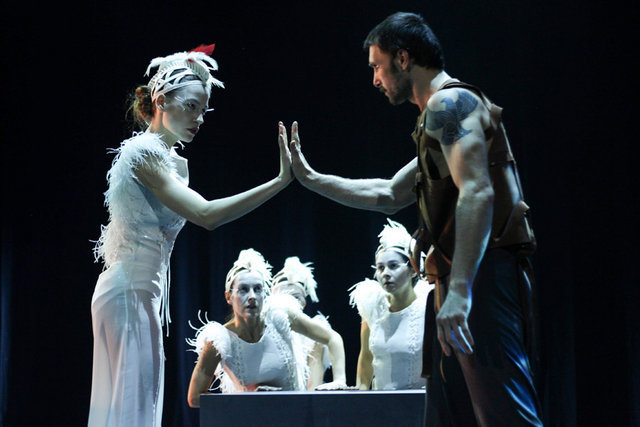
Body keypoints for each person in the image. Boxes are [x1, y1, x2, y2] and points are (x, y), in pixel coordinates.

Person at [287, 12, 542, 426]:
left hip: (481, 279)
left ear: (403, 59)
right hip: (458, 282)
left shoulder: (450, 103)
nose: (375, 79)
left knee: (504, 414)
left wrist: (461, 292)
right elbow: (389, 194)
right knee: (449, 415)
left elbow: (477, 190)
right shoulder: (435, 117)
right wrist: (311, 179)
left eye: (377, 66)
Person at [89, 45, 293, 426]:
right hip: (128, 292)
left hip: (141, 293)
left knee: (140, 404)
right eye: (191, 106)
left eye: (203, 110)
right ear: (161, 101)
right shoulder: (142, 154)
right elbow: (206, 215)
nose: (198, 119)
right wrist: (279, 182)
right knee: (133, 407)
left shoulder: (169, 161)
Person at [187, 249, 347, 407]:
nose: (252, 296)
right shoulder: (220, 339)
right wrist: (250, 398)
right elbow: (194, 398)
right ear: (228, 297)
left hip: (295, 414)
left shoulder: (279, 316)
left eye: (257, 289)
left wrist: (340, 380)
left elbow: (332, 338)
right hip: (251, 417)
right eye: (243, 289)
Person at [349, 219, 432, 390]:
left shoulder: (427, 306)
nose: (385, 273)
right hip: (382, 400)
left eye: (393, 266)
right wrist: (361, 392)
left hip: (418, 399)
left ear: (412, 270)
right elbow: (366, 356)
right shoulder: (372, 306)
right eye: (380, 268)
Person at [271, 256, 342, 389]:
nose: (290, 302)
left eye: (295, 297)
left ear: (304, 302)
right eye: (284, 296)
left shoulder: (312, 337)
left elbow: (314, 384)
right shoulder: (264, 330)